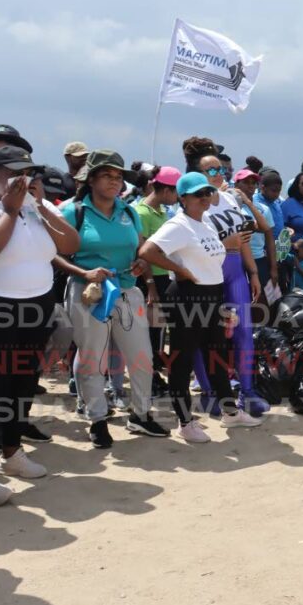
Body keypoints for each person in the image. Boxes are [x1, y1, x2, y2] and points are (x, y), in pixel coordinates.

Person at [0, 144, 79, 504]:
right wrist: (10, 211)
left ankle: (12, 451)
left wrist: (39, 209)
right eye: (14, 172)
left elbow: (70, 243)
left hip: (36, 305)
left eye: (28, 172)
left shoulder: (37, 206)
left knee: (23, 382)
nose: (24, 179)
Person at [56, 150, 170, 447]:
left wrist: (142, 265)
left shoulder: (128, 211)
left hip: (127, 291)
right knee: (93, 357)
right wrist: (84, 271)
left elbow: (139, 249)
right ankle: (97, 419)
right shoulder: (73, 211)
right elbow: (52, 252)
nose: (114, 181)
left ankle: (140, 415)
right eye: (107, 175)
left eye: (118, 176)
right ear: (90, 178)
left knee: (142, 356)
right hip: (88, 293)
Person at [139, 172, 262, 442]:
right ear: (183, 198)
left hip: (211, 296)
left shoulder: (205, 221)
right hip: (186, 297)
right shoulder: (178, 225)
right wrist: (179, 269)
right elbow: (147, 251)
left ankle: (230, 412)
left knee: (216, 357)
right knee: (181, 362)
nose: (205, 198)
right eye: (198, 194)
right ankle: (185, 421)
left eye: (207, 192)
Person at [182, 137, 270, 417]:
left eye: (221, 169)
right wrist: (224, 244)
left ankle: (247, 391)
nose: (221, 174)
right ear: (197, 175)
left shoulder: (231, 197)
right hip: (207, 272)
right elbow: (190, 243)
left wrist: (253, 272)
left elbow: (243, 236)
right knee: (207, 336)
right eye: (213, 170)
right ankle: (210, 392)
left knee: (244, 331)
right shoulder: (191, 205)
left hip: (235, 271)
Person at [133, 165, 181, 394]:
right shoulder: (142, 213)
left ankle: (152, 376)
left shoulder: (161, 211)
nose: (178, 197)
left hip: (163, 277)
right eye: (176, 192)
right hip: (150, 280)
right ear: (165, 190)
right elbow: (142, 253)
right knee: (149, 333)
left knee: (158, 332)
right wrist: (151, 286)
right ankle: (148, 381)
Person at [233, 169, 278, 290]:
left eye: (254, 183)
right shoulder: (230, 207)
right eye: (246, 182)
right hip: (238, 260)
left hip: (259, 259)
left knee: (264, 300)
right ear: (236, 184)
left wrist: (273, 268)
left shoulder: (263, 209)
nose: (251, 185)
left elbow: (269, 240)